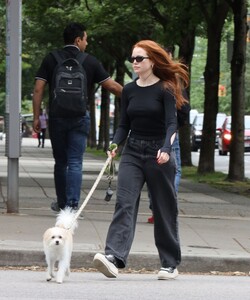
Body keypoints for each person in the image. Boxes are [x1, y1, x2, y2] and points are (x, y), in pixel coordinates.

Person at [93, 40, 189, 280]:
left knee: (163, 207)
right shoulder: (129, 90)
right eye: (132, 59)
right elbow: (124, 124)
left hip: (159, 152)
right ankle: (113, 256)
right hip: (133, 152)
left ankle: (169, 263)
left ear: (152, 61)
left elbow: (171, 123)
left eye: (139, 59)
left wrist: (167, 148)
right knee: (124, 202)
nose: (134, 63)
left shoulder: (166, 88)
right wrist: (114, 144)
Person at [33, 22, 122, 212]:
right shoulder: (89, 61)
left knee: (61, 162)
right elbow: (113, 87)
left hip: (57, 117)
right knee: (75, 162)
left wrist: (36, 117)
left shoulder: (51, 58)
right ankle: (72, 207)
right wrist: (138, 96)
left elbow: (38, 88)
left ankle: (62, 202)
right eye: (86, 39)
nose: (87, 43)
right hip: (80, 118)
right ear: (78, 40)